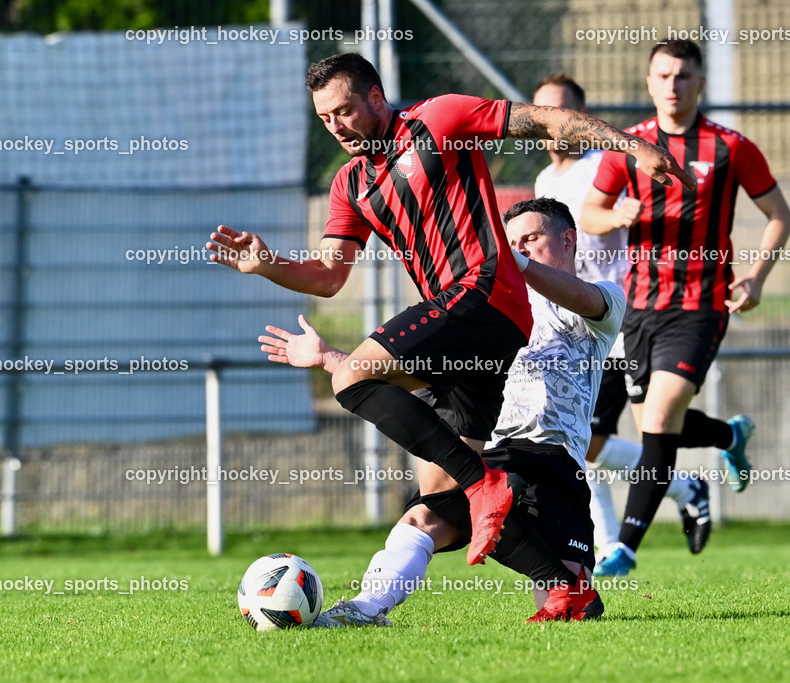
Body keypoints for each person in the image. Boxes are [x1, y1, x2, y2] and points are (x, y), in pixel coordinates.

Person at [209, 52, 693, 567]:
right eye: (325, 118)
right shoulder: (349, 185)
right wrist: (268, 264)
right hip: (463, 326)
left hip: (484, 292)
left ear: (376, 96)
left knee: (352, 379)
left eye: (345, 110)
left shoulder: (439, 120)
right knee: (438, 496)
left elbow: (547, 120)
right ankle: (558, 584)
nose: (337, 126)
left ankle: (485, 483)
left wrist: (633, 145)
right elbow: (329, 276)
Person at [259, 197, 624, 624]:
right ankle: (365, 609)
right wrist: (329, 358)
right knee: (423, 516)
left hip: (552, 461)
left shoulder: (601, 301)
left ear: (568, 239)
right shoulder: (487, 314)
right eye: (511, 243)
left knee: (572, 611)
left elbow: (583, 297)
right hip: (486, 455)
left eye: (532, 238)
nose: (519, 249)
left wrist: (513, 262)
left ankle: (565, 584)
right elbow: (409, 384)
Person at [579, 40, 790, 576]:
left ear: (700, 83)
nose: (672, 85)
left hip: (700, 304)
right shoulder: (629, 147)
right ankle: (729, 436)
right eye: (663, 76)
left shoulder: (730, 147)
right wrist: (615, 214)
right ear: (649, 83)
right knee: (656, 424)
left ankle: (624, 550)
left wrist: (758, 277)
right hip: (638, 308)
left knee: (658, 414)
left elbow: (779, 215)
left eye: (683, 76)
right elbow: (588, 213)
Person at [533, 72, 721, 559]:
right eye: (541, 113)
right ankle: (678, 493)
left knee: (587, 438)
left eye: (562, 113)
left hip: (617, 324)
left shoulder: (606, 165)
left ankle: (612, 545)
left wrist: (619, 215)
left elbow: (622, 222)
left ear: (581, 119)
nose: (551, 124)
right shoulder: (544, 181)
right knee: (582, 440)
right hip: (573, 329)